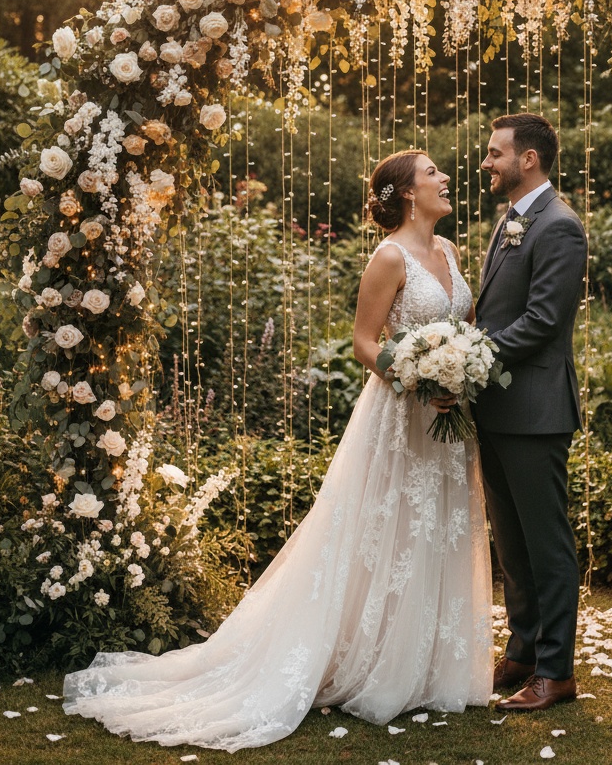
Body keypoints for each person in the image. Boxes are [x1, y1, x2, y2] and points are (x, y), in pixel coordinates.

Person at [62, 150, 493, 751]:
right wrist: (416, 378)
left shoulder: (447, 252)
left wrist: (461, 372)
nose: (445, 178)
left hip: (449, 421)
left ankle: (427, 667)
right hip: (401, 415)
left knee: (435, 528)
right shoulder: (389, 257)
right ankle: (370, 660)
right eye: (431, 174)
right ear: (405, 193)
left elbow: (466, 326)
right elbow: (364, 343)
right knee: (385, 531)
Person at [472, 113, 588, 712]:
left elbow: (543, 321)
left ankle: (555, 671)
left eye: (495, 154)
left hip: (536, 410)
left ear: (529, 161)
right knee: (511, 545)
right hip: (496, 408)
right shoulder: (513, 219)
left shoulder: (560, 227)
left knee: (546, 546)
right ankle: (521, 652)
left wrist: (469, 358)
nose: (485, 163)